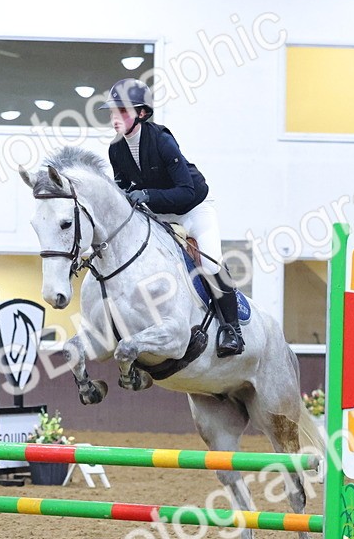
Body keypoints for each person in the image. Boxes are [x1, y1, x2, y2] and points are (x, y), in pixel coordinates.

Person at [97, 78, 244, 357]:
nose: (115, 118)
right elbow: (123, 189)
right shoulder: (116, 149)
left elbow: (186, 190)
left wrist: (148, 195)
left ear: (141, 113)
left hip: (194, 208)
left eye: (123, 112)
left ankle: (231, 330)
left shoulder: (162, 141)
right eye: (113, 112)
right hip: (160, 214)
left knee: (210, 261)